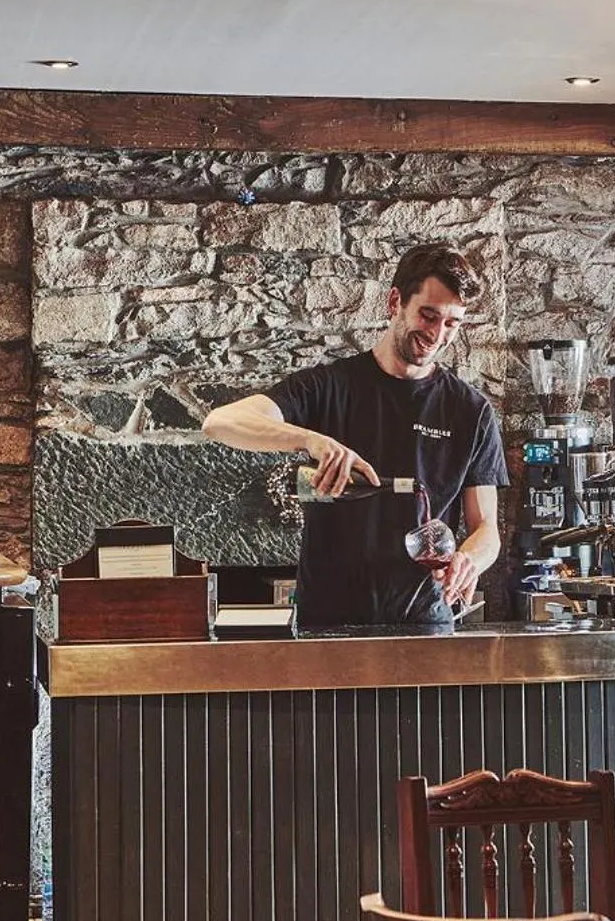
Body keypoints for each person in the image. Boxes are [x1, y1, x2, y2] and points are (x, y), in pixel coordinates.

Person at [202, 243, 507, 630]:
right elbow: (220, 422)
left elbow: (487, 530)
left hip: (425, 623)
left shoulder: (469, 410)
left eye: (451, 323)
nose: (436, 334)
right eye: (428, 315)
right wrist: (312, 440)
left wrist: (469, 560)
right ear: (395, 301)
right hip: (328, 625)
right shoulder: (329, 387)